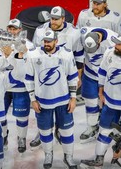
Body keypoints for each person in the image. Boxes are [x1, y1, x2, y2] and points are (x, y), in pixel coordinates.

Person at [30, 6, 83, 149]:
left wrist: (78, 75)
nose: (53, 22)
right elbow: (34, 53)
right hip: (45, 72)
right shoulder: (41, 30)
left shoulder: (74, 32)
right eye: (52, 19)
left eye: (56, 19)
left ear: (63, 19)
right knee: (43, 107)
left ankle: (61, 130)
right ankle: (42, 133)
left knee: (63, 106)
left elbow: (78, 54)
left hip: (65, 71)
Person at [25, 30, 79, 169]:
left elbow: (73, 78)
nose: (46, 44)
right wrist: (33, 99)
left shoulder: (66, 54)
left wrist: (73, 98)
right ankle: (48, 154)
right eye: (45, 41)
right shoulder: (33, 54)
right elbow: (29, 79)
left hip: (63, 101)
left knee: (67, 131)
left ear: (56, 41)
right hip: (42, 101)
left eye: (49, 41)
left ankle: (69, 156)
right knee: (44, 131)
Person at [81, 32, 121, 168]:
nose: (115, 46)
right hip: (110, 102)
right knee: (104, 130)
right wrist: (101, 91)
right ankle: (98, 159)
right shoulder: (109, 52)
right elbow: (102, 72)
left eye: (119, 44)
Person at [0, 18, 35, 153]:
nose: (12, 31)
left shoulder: (29, 45)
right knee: (0, 114)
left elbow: (28, 66)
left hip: (21, 86)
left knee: (22, 116)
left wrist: (11, 55)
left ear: (20, 29)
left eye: (15, 28)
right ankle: (3, 136)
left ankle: (21, 137)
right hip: (3, 85)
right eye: (10, 28)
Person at [78, 27, 118, 143]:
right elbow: (79, 54)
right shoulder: (83, 33)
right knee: (90, 101)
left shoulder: (112, 39)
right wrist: (79, 75)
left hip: (107, 76)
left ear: (99, 41)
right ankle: (92, 126)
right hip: (90, 74)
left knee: (107, 102)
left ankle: (107, 125)